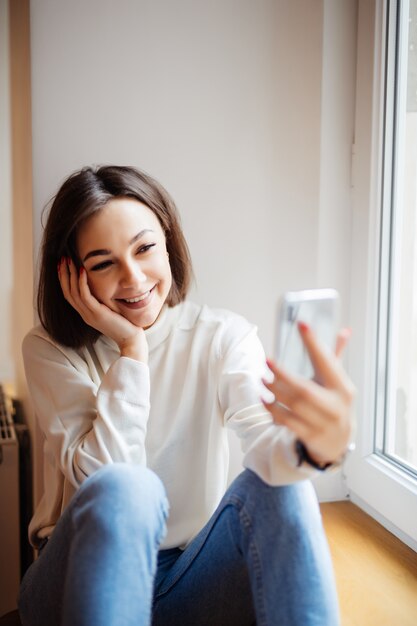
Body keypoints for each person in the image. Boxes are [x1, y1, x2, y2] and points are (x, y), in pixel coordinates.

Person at [18, 165, 354, 626]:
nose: (133, 278)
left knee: (283, 488)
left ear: (169, 242)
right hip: (74, 578)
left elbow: (267, 447)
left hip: (187, 578)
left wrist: (318, 445)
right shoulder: (49, 349)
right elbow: (100, 479)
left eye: (144, 248)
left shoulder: (222, 336)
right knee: (127, 487)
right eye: (103, 263)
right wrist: (131, 350)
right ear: (73, 276)